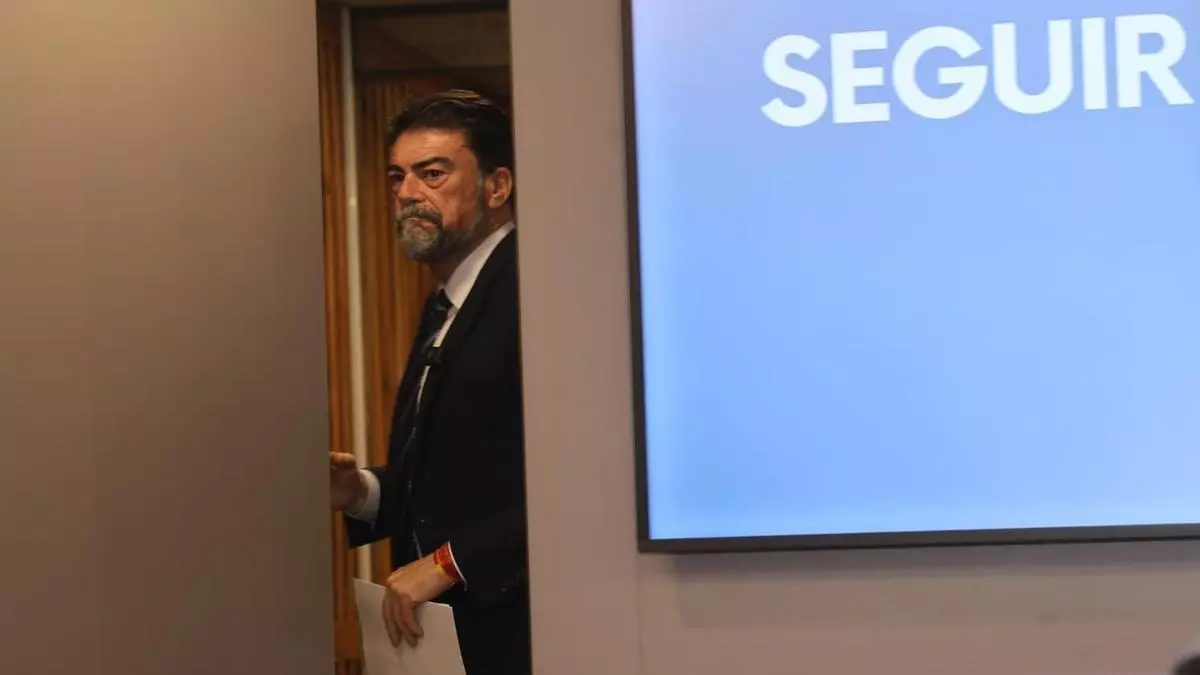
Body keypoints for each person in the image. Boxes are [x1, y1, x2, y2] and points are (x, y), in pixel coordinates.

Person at [329, 89, 529, 675]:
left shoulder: (531, 288)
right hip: (449, 642)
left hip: (521, 634)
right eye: (398, 177)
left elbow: (577, 482)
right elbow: (461, 477)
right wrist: (360, 493)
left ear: (497, 186)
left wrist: (449, 562)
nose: (408, 193)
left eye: (432, 174)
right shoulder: (447, 302)